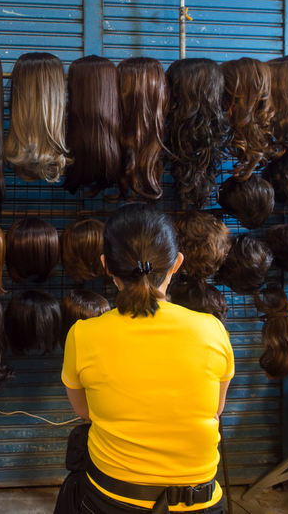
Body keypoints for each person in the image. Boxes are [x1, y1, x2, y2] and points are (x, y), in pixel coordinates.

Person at [61, 203, 234, 514]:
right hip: (201, 504)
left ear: (106, 265)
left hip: (110, 500)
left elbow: (86, 413)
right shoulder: (212, 329)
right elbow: (216, 409)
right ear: (176, 263)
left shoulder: (82, 334)